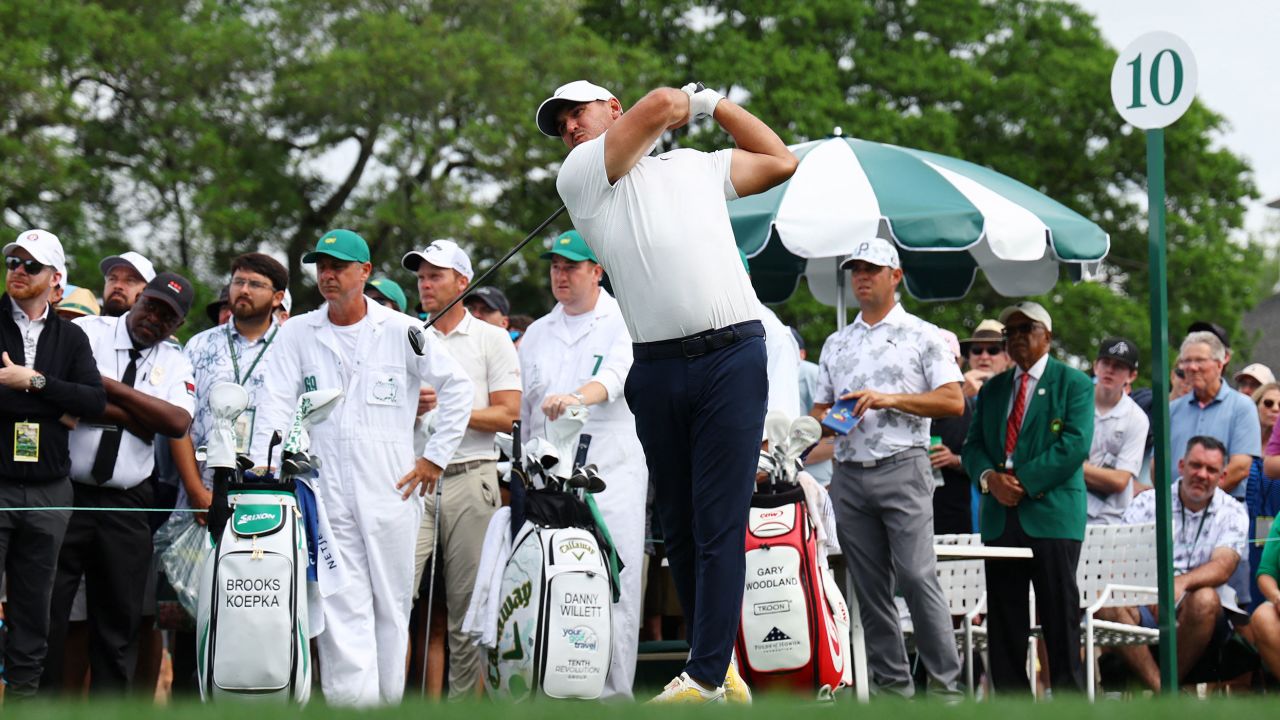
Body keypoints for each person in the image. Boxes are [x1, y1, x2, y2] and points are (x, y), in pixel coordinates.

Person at [538, 77, 796, 702]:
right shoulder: (580, 177)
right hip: (654, 366)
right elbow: (659, 105)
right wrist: (683, 102)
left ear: (611, 109)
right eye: (561, 121)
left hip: (733, 353)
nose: (571, 126)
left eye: (580, 112)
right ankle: (719, 666)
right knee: (678, 525)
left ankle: (705, 674)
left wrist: (712, 106)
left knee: (718, 521)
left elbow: (780, 160)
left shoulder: (692, 167)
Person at [251, 229, 472, 706]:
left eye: (338, 266)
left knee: (391, 608)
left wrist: (435, 457)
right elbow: (273, 404)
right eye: (321, 267)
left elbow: (457, 387)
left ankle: (386, 705)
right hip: (325, 489)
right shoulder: (297, 332)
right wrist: (267, 470)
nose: (327, 276)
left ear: (364, 272)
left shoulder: (402, 330)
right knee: (340, 604)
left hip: (391, 489)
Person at [810, 239, 964, 698]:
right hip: (849, 473)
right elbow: (817, 411)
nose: (861, 277)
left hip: (904, 466)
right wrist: (835, 415)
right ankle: (894, 689)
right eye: (855, 269)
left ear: (895, 276)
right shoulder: (837, 342)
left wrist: (887, 398)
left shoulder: (924, 335)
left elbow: (954, 400)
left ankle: (946, 688)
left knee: (917, 576)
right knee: (869, 586)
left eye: (871, 269)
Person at [45, 272, 196, 694]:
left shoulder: (175, 359)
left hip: (126, 503)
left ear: (177, 325)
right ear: (138, 297)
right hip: (66, 491)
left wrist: (103, 387)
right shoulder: (86, 332)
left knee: (118, 625)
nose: (154, 318)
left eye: (167, 316)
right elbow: (58, 392)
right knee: (49, 614)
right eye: (151, 305)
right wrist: (141, 419)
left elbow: (177, 422)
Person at [517, 229, 647, 698]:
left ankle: (614, 695)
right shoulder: (535, 334)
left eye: (571, 266)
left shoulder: (625, 318)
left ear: (598, 270)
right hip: (548, 479)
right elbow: (527, 414)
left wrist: (576, 397)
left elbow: (614, 378)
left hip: (610, 471)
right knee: (548, 577)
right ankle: (551, 687)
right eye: (555, 266)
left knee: (613, 581)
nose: (560, 274)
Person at [403, 238, 520, 699]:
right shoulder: (406, 333)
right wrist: (412, 408)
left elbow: (509, 413)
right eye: (421, 276)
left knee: (466, 611)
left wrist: (453, 410)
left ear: (462, 281)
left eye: (435, 275)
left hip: (472, 476)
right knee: (394, 595)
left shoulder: (492, 339)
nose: (426, 283)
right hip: (413, 479)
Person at [962, 301, 1093, 694]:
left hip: (1052, 514)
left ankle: (1069, 703)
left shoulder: (1074, 382)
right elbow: (973, 447)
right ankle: (1010, 706)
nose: (1016, 337)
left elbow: (1075, 444)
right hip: (1001, 516)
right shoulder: (996, 388)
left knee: (1060, 616)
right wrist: (990, 479)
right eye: (1010, 332)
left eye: (1025, 329)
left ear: (1047, 336)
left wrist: (1020, 480)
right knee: (1004, 621)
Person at [0, 230, 106, 700]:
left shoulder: (72, 335)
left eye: (30, 266)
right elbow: (72, 404)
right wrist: (56, 404)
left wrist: (32, 381)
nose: (18, 272)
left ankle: (21, 705)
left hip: (49, 489)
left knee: (33, 607)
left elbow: (94, 402)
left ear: (54, 278)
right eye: (13, 263)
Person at [1103, 436, 1247, 690]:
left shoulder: (1232, 511)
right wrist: (1147, 591)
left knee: (1205, 598)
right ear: (1181, 466)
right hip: (1144, 603)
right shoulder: (1149, 502)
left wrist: (1178, 584)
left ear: (1222, 477)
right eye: (1196, 465)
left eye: (1211, 469)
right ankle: (1165, 692)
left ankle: (1163, 689)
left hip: (1200, 615)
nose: (1202, 474)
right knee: (1105, 600)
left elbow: (1223, 566)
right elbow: (1118, 557)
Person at [1170, 330, 1259, 501]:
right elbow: (1156, 466)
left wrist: (1196, 500)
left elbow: (1240, 467)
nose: (1192, 367)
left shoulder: (1242, 407)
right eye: (1186, 361)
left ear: (1219, 364)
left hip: (1224, 511)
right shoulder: (1172, 410)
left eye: (1200, 360)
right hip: (1174, 510)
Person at [1084, 337, 1149, 526]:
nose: (1110, 370)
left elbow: (1120, 480)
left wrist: (1075, 467)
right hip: (1066, 511)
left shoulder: (1136, 418)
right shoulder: (1075, 402)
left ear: (1132, 376)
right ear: (1096, 366)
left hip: (1108, 520)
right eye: (1106, 363)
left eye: (1119, 366)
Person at [929, 329, 974, 535]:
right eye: (934, 359)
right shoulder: (909, 404)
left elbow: (991, 460)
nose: (941, 367)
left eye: (948, 360)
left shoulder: (972, 407)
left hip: (956, 514)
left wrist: (955, 460)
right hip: (914, 512)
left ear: (959, 363)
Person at [1245, 383, 1280, 614]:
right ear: (1255, 405)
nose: (1275, 409)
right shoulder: (1242, 444)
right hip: (1247, 525)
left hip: (1275, 525)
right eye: (1268, 403)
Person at [794, 327, 833, 485]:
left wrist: (790, 459)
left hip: (818, 483)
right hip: (777, 484)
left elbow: (832, 441)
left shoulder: (810, 373)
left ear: (801, 354)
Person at [960, 319, 1011, 398]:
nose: (984, 357)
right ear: (969, 356)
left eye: (993, 351)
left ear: (1008, 357)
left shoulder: (1018, 388)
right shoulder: (954, 388)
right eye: (977, 351)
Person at [98, 252, 156, 318]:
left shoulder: (160, 327)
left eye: (130, 280)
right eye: (112, 279)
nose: (118, 285)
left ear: (147, 290)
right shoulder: (86, 324)